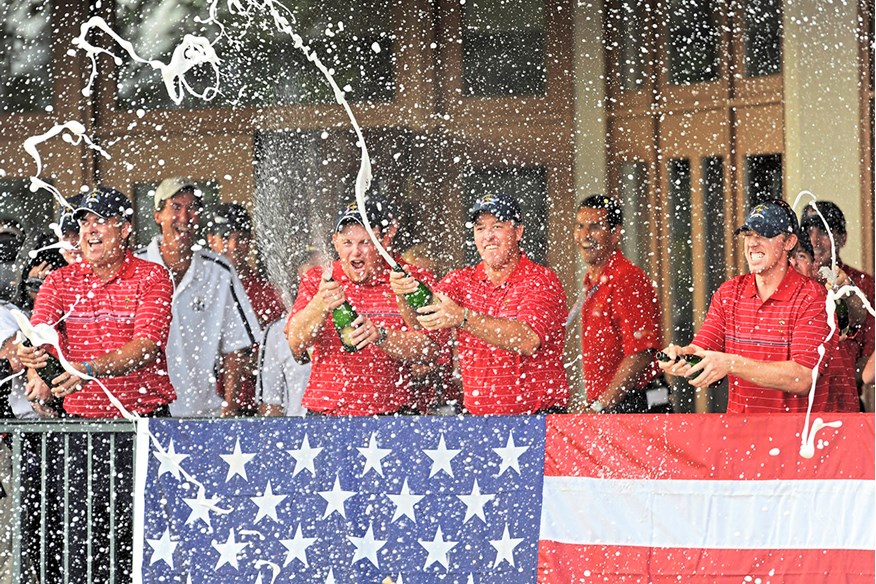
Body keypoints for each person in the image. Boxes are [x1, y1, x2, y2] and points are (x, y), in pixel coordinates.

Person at [16, 186, 176, 583]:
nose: (90, 230)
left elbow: (145, 347)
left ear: (123, 229)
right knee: (79, 544)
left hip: (144, 427)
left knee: (148, 543)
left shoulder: (151, 276)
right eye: (84, 221)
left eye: (100, 220)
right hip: (80, 433)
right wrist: (33, 360)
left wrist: (87, 370)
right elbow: (37, 336)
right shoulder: (59, 282)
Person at [390, 192, 568, 415]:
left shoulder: (541, 280)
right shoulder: (460, 281)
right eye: (480, 228)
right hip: (480, 421)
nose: (488, 236)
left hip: (538, 419)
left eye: (497, 226)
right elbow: (422, 322)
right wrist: (402, 295)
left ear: (518, 231)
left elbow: (527, 340)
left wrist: (463, 317)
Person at [659, 199, 839, 413]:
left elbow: (803, 378)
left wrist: (731, 364)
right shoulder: (729, 293)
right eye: (749, 235)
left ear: (789, 242)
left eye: (763, 235)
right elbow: (702, 351)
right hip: (740, 437)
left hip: (797, 439)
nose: (752, 243)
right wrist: (680, 357)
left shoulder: (814, 297)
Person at [285, 196, 442, 416]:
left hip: (392, 415)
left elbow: (431, 349)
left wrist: (381, 336)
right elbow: (296, 343)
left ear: (385, 240)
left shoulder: (410, 278)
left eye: (365, 242)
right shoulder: (317, 278)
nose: (355, 252)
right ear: (335, 241)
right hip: (326, 415)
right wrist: (320, 303)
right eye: (347, 243)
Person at [136, 177, 261, 417]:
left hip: (202, 412)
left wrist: (229, 406)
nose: (185, 217)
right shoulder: (134, 266)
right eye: (176, 207)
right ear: (157, 215)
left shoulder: (218, 270)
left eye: (192, 208)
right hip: (142, 413)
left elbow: (236, 347)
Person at [572, 195, 667, 414]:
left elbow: (641, 353)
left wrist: (601, 405)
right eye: (580, 226)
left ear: (615, 234)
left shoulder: (626, 278)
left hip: (637, 402)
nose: (584, 236)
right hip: (615, 404)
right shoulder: (594, 279)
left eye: (595, 227)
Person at [206, 203, 285, 414]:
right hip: (203, 405)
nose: (233, 246)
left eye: (240, 238)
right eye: (225, 237)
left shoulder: (267, 293)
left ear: (249, 241)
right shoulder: (200, 288)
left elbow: (278, 348)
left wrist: (251, 358)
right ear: (210, 240)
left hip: (254, 405)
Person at [801, 200, 875, 407]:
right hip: (794, 408)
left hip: (844, 405)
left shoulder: (864, 285)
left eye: (824, 231)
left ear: (842, 238)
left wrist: (827, 378)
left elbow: (869, 363)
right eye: (807, 231)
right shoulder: (792, 281)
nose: (814, 240)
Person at [787, 235, 859, 412]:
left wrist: (847, 290)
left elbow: (858, 317)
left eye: (801, 256)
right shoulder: (770, 308)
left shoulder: (829, 298)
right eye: (788, 257)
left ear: (814, 266)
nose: (793, 263)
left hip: (838, 413)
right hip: (792, 418)